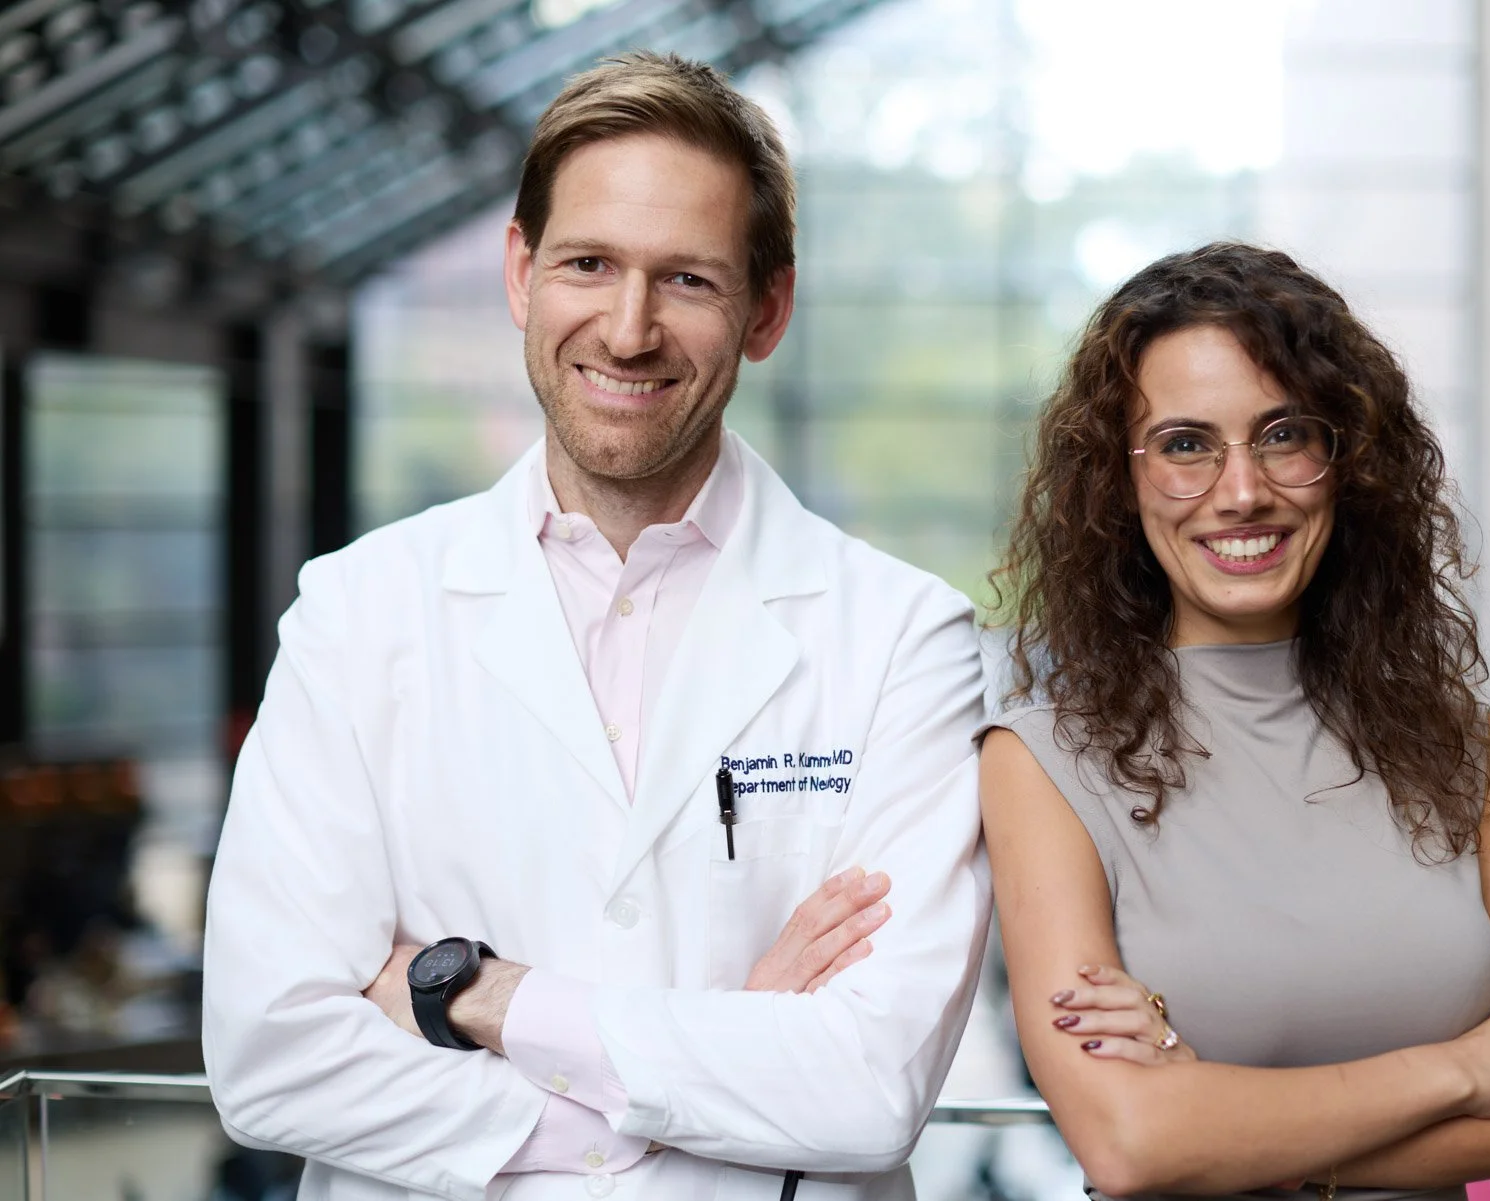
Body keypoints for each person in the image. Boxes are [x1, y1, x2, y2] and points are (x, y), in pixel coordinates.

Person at [202, 52, 990, 1201]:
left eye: (688, 281)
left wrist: (480, 995)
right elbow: (271, 1056)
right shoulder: (356, 613)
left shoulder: (903, 636)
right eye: (588, 264)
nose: (628, 330)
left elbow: (869, 1088)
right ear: (522, 273)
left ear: (766, 309)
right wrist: (701, 1078)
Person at [980, 242, 1490, 1201]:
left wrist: (1221, 1124)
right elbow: (1129, 1147)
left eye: (1284, 434)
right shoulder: (1043, 761)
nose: (1243, 492)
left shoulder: (1454, 741)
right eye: (1186, 444)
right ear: (1119, 480)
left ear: (1346, 459)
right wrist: (1472, 1069)